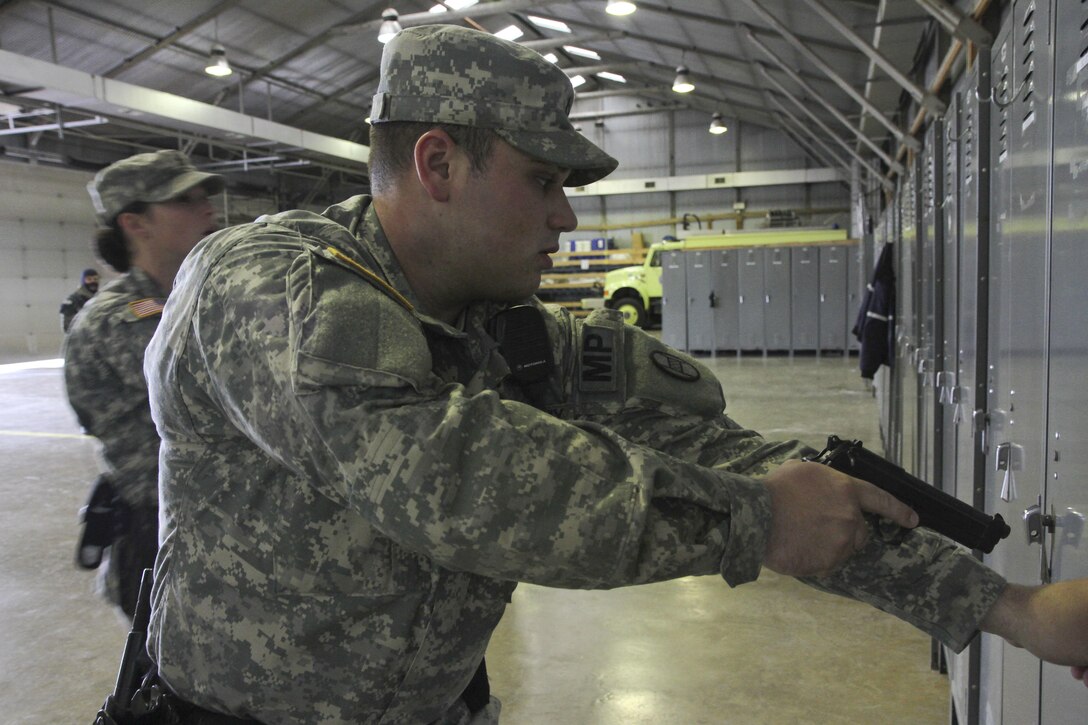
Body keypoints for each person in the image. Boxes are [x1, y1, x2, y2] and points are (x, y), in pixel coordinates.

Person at [142, 25, 1088, 724]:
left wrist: (1008, 609)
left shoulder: (505, 331)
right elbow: (459, 483)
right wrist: (756, 519)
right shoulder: (272, 289)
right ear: (437, 163)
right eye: (543, 181)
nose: (564, 219)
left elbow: (723, 452)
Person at [64, 150, 223, 619]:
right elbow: (222, 402)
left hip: (209, 521)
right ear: (135, 223)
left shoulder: (187, 298)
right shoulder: (120, 318)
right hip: (162, 532)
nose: (208, 210)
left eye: (204, 198)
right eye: (185, 201)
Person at [60, 268, 100, 333]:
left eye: (95, 279)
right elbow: (67, 327)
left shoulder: (99, 299)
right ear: (83, 281)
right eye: (89, 279)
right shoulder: (72, 300)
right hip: (79, 340)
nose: (93, 282)